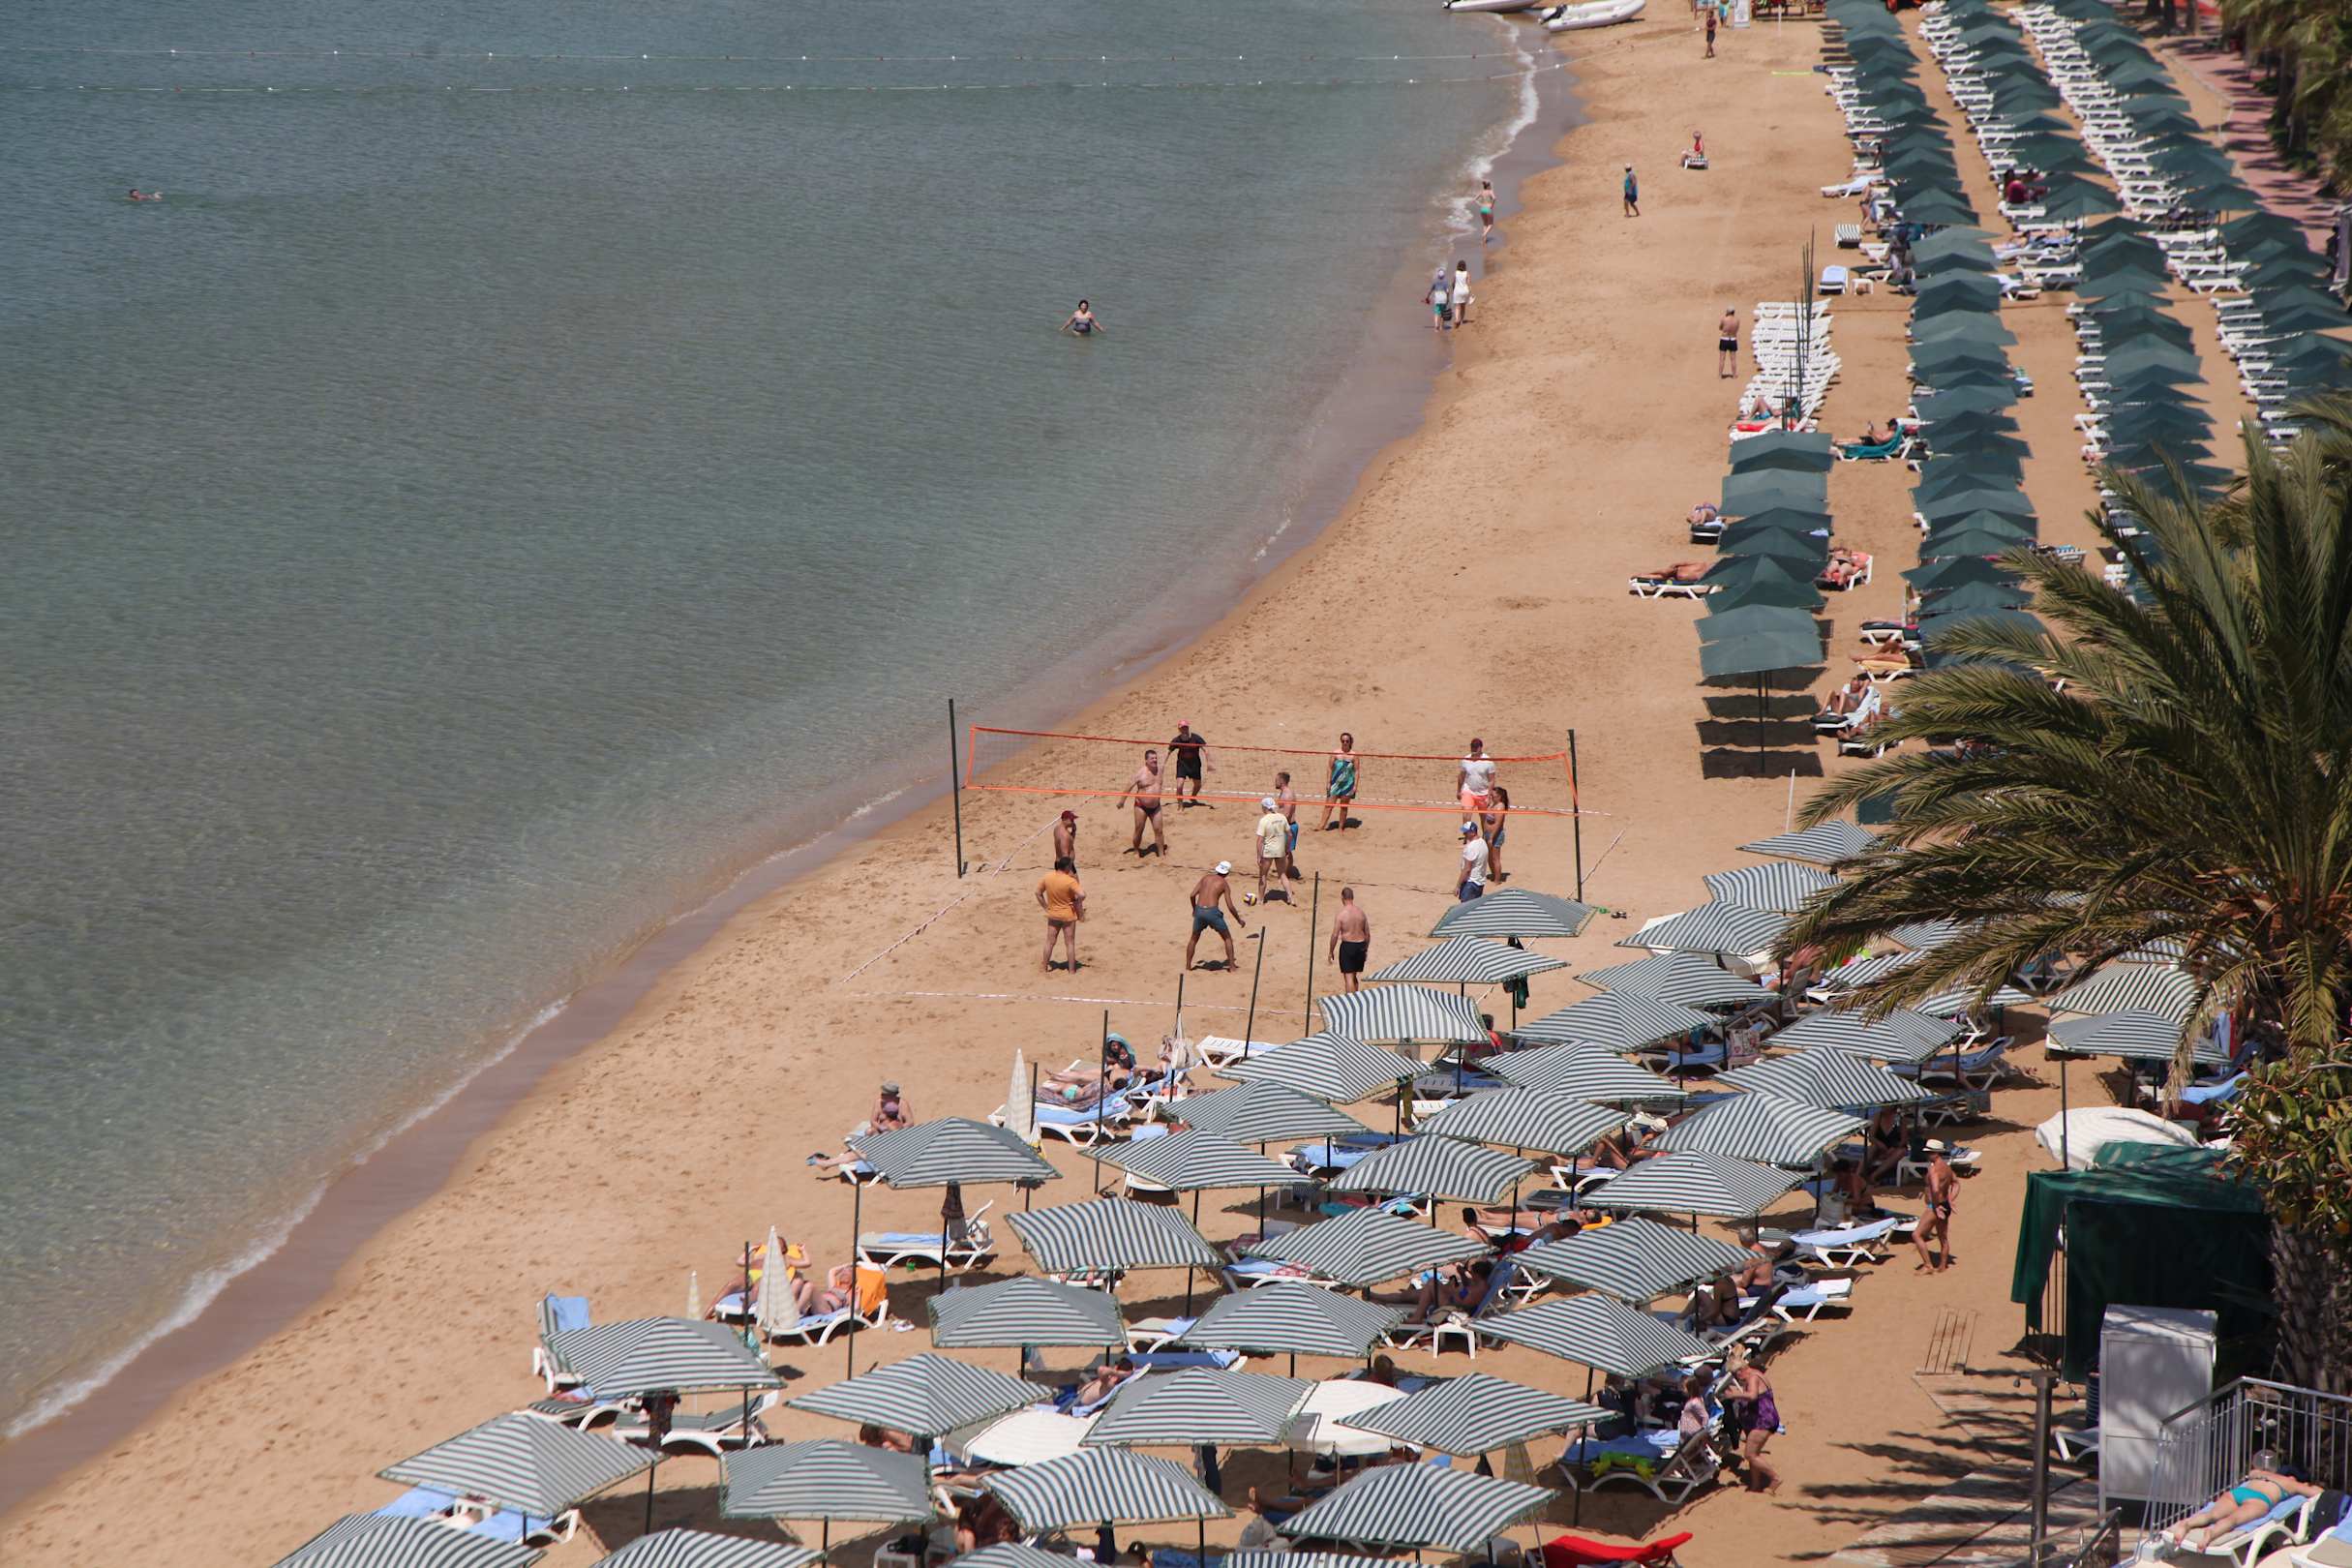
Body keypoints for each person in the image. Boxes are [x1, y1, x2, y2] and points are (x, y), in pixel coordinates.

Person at [2161, 1461, 2323, 1552]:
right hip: (2259, 1500)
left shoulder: (2265, 1474)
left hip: (2238, 1493)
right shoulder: (2291, 1483)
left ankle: (2186, 1524)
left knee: (2211, 1515)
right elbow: (2316, 1492)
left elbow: (2252, 1473)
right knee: (2232, 1520)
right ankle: (2211, 1533)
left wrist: (2262, 1473)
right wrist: (2307, 1486)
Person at [1721, 1356, 1783, 1493]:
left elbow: (1752, 1395)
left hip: (1763, 1421)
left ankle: (1775, 1478)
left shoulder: (1753, 1378)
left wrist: (1735, 1395)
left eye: (1735, 1374)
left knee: (1750, 1454)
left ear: (1741, 1370)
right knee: (1754, 1453)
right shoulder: (1752, 1375)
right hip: (1756, 1420)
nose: (1737, 1377)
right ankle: (1755, 1484)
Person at [1188, 859, 1248, 971]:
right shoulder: (1224, 884)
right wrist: (1239, 920)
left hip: (1200, 911)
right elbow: (1230, 906)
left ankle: (1188, 966)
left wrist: (1194, 909)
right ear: (1227, 873)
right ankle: (1232, 966)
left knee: (1193, 939)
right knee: (1227, 938)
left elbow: (1192, 895)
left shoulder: (1205, 878)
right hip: (1212, 912)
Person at [1036, 856, 1085, 974]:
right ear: (1067, 867)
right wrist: (1077, 902)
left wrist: (1046, 907)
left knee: (1050, 942)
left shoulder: (1048, 877)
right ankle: (1071, 971)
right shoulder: (1070, 881)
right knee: (1069, 943)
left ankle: (1044, 967)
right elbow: (1082, 895)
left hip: (1053, 914)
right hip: (1068, 916)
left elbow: (1037, 893)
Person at [1914, 1139, 1957, 1272]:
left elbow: (1936, 1189)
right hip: (1945, 1205)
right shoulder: (1947, 1168)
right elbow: (1956, 1183)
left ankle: (1928, 1266)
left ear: (1936, 1153)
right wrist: (1951, 1199)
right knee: (1943, 1238)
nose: (1927, 1155)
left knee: (1917, 1235)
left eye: (1929, 1153)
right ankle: (1942, 1265)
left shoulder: (1934, 1170)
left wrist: (1936, 1206)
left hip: (1935, 1206)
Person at [1119, 748, 1168, 858]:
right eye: (1152, 758)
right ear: (1146, 761)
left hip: (1156, 807)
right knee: (1139, 829)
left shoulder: (1160, 770)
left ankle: (1161, 854)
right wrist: (1122, 801)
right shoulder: (1140, 773)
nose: (1155, 760)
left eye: (1156, 758)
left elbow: (1166, 755)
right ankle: (1136, 850)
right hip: (1141, 806)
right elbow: (1128, 787)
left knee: (1159, 831)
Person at [1329, 886, 1372, 992]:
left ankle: (1350, 1000)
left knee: (1348, 978)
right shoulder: (1361, 913)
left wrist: (1331, 951)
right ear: (1352, 897)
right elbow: (1367, 934)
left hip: (1348, 946)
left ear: (1342, 898)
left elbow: (1335, 935)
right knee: (1354, 976)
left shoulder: (1341, 914)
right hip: (1360, 945)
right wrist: (1365, 949)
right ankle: (1356, 998)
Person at [1253, 796, 1290, 904]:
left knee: (1263, 875)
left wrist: (1259, 856)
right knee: (1282, 875)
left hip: (1268, 851)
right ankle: (1290, 897)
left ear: (1264, 807)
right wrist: (1287, 848)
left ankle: (1261, 899)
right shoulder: (1282, 817)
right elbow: (1290, 835)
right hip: (1280, 850)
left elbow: (1260, 841)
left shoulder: (1264, 820)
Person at [1320, 732, 1358, 830]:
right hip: (1335, 783)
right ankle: (1321, 826)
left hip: (1347, 784)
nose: (1345, 743)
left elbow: (1357, 771)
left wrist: (1355, 786)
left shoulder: (1354, 756)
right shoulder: (1335, 753)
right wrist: (1328, 782)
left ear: (1350, 742)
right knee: (1328, 806)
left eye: (1347, 741)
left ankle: (1341, 828)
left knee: (1344, 807)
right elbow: (1329, 768)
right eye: (1343, 741)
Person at [1167, 721, 1211, 805]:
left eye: (1186, 727)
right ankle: (1180, 804)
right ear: (1179, 729)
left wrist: (1209, 762)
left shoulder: (1196, 738)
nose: (1184, 729)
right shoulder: (1177, 740)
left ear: (1188, 728)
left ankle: (1193, 797)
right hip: (1182, 765)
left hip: (1195, 765)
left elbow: (1206, 749)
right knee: (1179, 786)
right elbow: (1168, 752)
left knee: (1198, 785)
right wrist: (1163, 764)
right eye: (1182, 728)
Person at [1458, 738, 1498, 813]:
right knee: (1466, 814)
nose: (1474, 748)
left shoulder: (1488, 761)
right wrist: (1459, 791)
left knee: (1483, 817)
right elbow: (1461, 776)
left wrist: (1489, 796)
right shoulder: (1465, 760)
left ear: (1481, 747)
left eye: (1476, 747)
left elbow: (1491, 780)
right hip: (1468, 791)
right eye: (1472, 746)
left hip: (1484, 793)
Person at [1482, 785, 1511, 885]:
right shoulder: (1492, 804)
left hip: (1496, 835)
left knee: (1495, 858)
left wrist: (1491, 837)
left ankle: (1497, 880)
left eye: (1493, 796)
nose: (1491, 797)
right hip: (1488, 834)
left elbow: (1498, 824)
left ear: (1499, 796)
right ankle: (1494, 875)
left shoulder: (1500, 806)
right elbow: (1486, 820)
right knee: (1489, 857)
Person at [1274, 769, 1301, 879]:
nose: (1275, 782)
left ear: (1281, 781)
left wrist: (1277, 826)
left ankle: (1284, 875)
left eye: (1276, 780)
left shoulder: (1288, 795)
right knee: (1285, 852)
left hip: (1288, 827)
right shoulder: (1283, 792)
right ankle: (1285, 873)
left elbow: (1287, 814)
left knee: (1286, 853)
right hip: (1286, 826)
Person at [1457, 820, 1490, 902]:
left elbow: (1467, 869)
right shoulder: (1482, 842)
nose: (1464, 834)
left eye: (1466, 832)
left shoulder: (1471, 847)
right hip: (1479, 882)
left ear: (1473, 832)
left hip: (1470, 883)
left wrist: (1458, 886)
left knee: (1465, 908)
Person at [1429, 265, 1453, 331]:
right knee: (1443, 313)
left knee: (1437, 313)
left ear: (1438, 276)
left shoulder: (1435, 282)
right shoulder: (1446, 282)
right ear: (1443, 276)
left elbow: (1430, 290)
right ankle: (1441, 327)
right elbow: (1447, 292)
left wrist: (1427, 297)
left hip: (1437, 299)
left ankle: (1436, 326)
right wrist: (1448, 299)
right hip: (1443, 299)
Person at [1718, 306, 1739, 377]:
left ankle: (1720, 375)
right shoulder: (1737, 320)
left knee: (1722, 358)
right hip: (1733, 339)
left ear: (1728, 312)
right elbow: (1736, 329)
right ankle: (1734, 375)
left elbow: (1720, 328)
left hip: (1724, 339)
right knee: (1733, 359)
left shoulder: (1724, 319)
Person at [1452, 260, 1473, 327]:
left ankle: (1457, 319)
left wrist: (1453, 289)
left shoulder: (1455, 273)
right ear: (1465, 266)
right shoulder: (1467, 273)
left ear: (1458, 266)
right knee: (1463, 306)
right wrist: (1470, 293)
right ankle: (1461, 320)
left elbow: (1453, 283)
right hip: (1465, 291)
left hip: (1457, 291)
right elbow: (1469, 284)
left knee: (1457, 307)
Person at [1476, 179, 1496, 243]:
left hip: (1482, 209)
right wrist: (1492, 205)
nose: (1490, 186)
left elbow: (1475, 199)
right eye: (1489, 185)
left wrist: (1480, 204)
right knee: (1491, 225)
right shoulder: (1490, 191)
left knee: (1485, 224)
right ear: (1488, 186)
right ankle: (1484, 234)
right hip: (1488, 209)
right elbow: (1494, 198)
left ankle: (1484, 240)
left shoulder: (1482, 192)